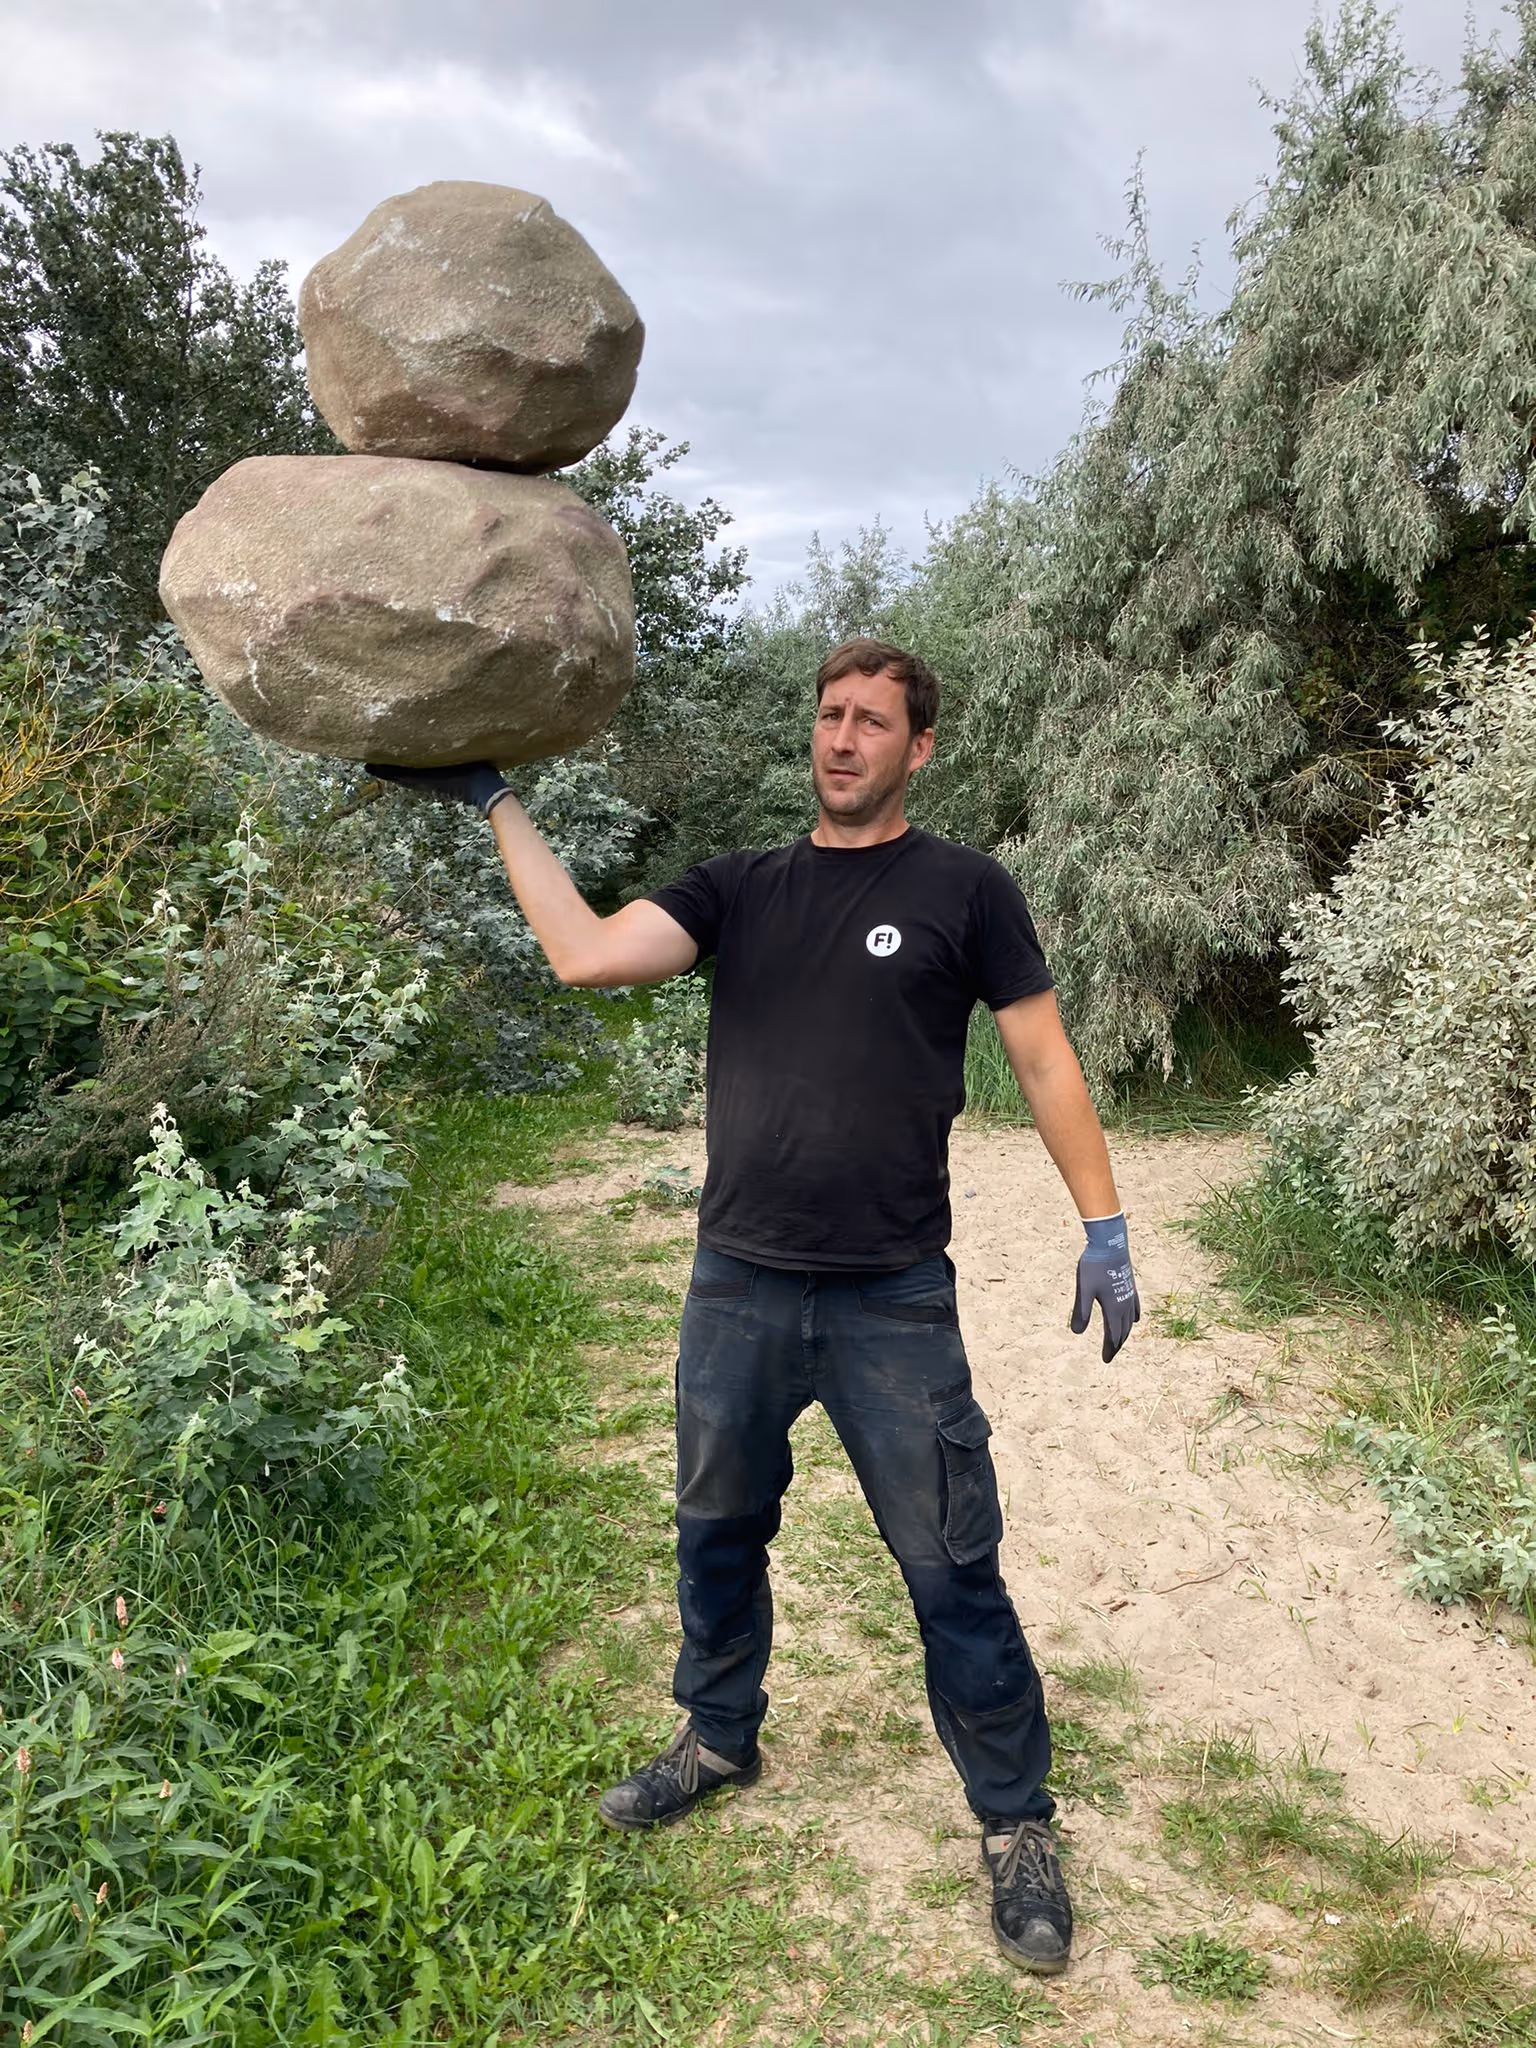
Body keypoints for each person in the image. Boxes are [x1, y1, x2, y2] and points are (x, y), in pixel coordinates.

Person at [369, 637, 1139, 1977]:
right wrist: (497, 796)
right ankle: (718, 1734)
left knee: (952, 1567)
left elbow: (1040, 1053)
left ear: (920, 748)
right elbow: (585, 955)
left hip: (894, 1298)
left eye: (872, 722)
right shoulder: (742, 887)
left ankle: (1015, 1824)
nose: (843, 739)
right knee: (715, 1532)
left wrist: (1106, 1222)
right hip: (739, 1284)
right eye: (830, 716)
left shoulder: (964, 890)